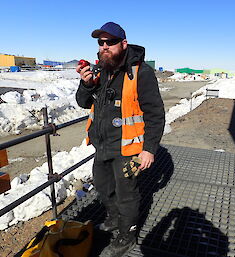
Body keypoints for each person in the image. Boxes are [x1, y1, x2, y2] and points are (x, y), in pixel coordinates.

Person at [75, 22, 165, 257]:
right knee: (104, 190)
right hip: (102, 146)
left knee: (127, 195)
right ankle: (114, 220)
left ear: (123, 44)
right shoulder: (100, 70)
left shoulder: (140, 72)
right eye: (100, 42)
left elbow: (155, 113)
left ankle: (127, 236)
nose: (104, 47)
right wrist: (86, 85)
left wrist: (149, 149)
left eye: (110, 42)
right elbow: (83, 102)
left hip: (128, 149)